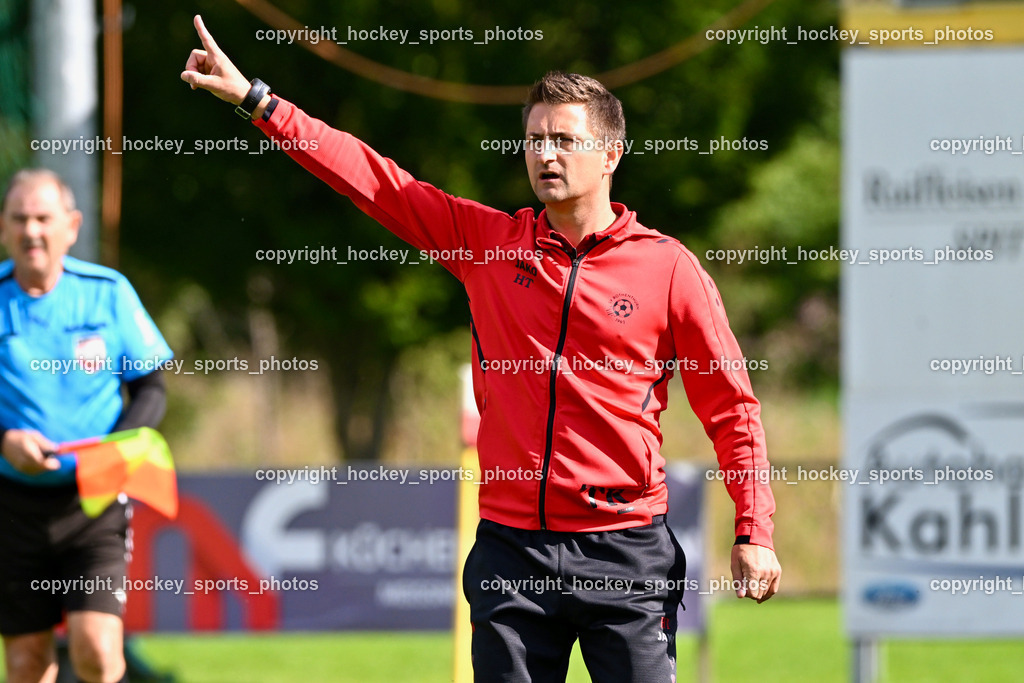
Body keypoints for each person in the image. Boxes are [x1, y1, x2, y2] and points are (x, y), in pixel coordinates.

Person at [182, 14, 781, 681]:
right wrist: (257, 101)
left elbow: (734, 410)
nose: (545, 154)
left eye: (564, 140)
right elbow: (374, 178)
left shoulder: (669, 270)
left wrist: (753, 529)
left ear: (611, 153)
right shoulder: (489, 245)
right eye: (534, 140)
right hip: (511, 553)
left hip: (626, 553)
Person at [0, 169, 173, 683]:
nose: (33, 231)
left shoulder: (107, 293)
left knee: (96, 650)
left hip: (94, 500)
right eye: (20, 219)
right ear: (5, 227)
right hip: (11, 506)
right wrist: (4, 441)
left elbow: (151, 387)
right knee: (28, 662)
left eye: (43, 218)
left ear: (71, 226)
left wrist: (113, 451)